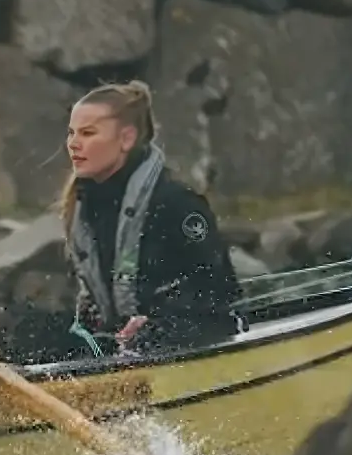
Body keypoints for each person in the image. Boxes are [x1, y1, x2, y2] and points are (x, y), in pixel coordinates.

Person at [60, 81, 245, 357]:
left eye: (88, 133)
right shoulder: (86, 208)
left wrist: (157, 326)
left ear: (126, 139)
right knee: (32, 332)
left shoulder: (177, 205)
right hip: (123, 349)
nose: (73, 144)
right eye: (71, 133)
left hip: (189, 341)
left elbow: (219, 298)